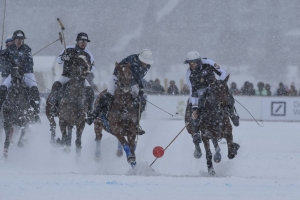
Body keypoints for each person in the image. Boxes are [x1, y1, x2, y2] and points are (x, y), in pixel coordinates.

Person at [87, 49, 154, 135]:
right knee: (109, 94)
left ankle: (136, 124)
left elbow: (139, 78)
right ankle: (94, 115)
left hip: (131, 82)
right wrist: (140, 87)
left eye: (146, 62)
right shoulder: (133, 60)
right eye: (144, 62)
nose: (145, 64)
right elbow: (135, 74)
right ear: (140, 58)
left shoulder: (147, 65)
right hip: (117, 78)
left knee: (141, 101)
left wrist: (140, 91)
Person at [183, 51, 239, 147]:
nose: (191, 65)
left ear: (198, 61)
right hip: (200, 92)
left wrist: (217, 85)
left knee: (228, 96)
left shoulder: (209, 62)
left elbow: (223, 73)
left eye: (193, 63)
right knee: (194, 111)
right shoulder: (189, 74)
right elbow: (193, 91)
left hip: (213, 87)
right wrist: (195, 107)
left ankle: (232, 114)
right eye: (189, 63)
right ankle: (196, 133)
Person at [48, 32, 95, 118]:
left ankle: (90, 110)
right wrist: (63, 57)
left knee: (90, 91)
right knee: (56, 85)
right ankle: (55, 106)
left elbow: (92, 67)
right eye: (81, 41)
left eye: (85, 41)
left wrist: (86, 70)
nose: (83, 43)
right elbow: (59, 61)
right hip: (66, 76)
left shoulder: (88, 54)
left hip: (81, 78)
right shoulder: (68, 49)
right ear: (77, 41)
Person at [0, 30, 40, 122]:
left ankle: (36, 112)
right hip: (13, 73)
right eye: (17, 39)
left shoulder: (27, 49)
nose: (19, 41)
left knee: (34, 89)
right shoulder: (10, 49)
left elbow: (30, 63)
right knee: (3, 87)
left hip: (26, 73)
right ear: (14, 40)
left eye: (21, 39)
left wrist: (21, 67)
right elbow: (4, 62)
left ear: (23, 40)